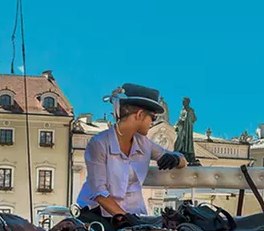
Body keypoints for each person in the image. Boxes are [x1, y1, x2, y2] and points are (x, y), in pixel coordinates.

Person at [75, 83, 184, 220]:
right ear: (139, 114)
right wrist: (126, 219)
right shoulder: (99, 143)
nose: (152, 123)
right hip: (96, 215)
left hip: (132, 215)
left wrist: (176, 159)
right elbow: (99, 193)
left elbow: (183, 161)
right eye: (153, 117)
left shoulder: (145, 144)